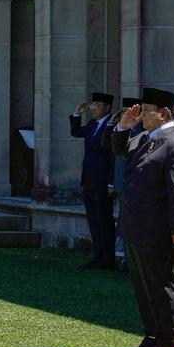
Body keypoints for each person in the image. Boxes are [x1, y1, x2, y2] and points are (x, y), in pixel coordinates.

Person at [111, 88, 174, 347]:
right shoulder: (145, 138)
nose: (140, 115)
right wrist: (122, 126)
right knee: (143, 286)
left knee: (162, 284)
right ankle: (152, 336)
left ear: (164, 113)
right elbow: (119, 150)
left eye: (145, 111)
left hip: (158, 228)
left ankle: (168, 342)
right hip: (136, 224)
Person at [70, 92, 116, 269]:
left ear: (107, 107)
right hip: (88, 179)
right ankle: (98, 255)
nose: (93, 108)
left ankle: (107, 257)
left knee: (104, 219)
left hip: (103, 181)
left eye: (97, 104)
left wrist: (112, 183)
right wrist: (77, 115)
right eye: (93, 104)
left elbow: (113, 157)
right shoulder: (91, 124)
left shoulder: (112, 124)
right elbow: (75, 132)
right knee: (93, 219)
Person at [105, 97, 140, 271]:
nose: (126, 114)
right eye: (124, 111)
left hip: (133, 185)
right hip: (120, 183)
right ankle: (124, 258)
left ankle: (130, 259)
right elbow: (108, 146)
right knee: (122, 222)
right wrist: (113, 123)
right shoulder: (121, 130)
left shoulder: (140, 131)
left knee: (132, 223)